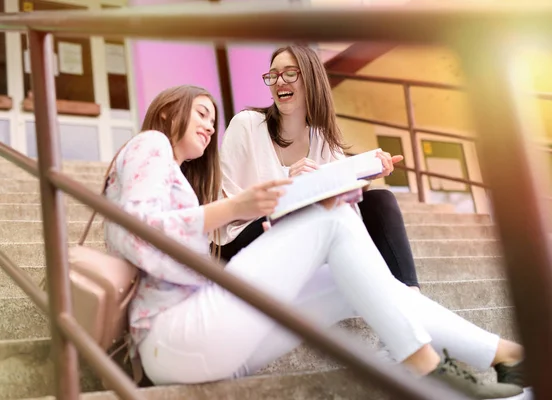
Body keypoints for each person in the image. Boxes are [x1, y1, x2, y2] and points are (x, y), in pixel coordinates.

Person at [104, 85, 527, 399]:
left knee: (345, 277)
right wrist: (235, 208)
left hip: (201, 345)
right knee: (334, 220)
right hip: (170, 336)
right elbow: (136, 230)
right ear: (165, 113)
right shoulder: (150, 143)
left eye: (213, 118)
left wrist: (277, 197)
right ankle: (421, 364)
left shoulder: (175, 174)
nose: (211, 125)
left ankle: (504, 353)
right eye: (201, 113)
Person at [217, 45, 420, 291]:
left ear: (311, 79)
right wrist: (289, 189)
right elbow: (226, 203)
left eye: (290, 73)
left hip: (305, 232)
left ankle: (410, 294)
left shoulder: (322, 136)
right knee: (314, 218)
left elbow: (342, 199)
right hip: (248, 235)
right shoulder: (246, 124)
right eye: (273, 75)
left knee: (380, 200)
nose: (280, 81)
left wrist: (365, 173)